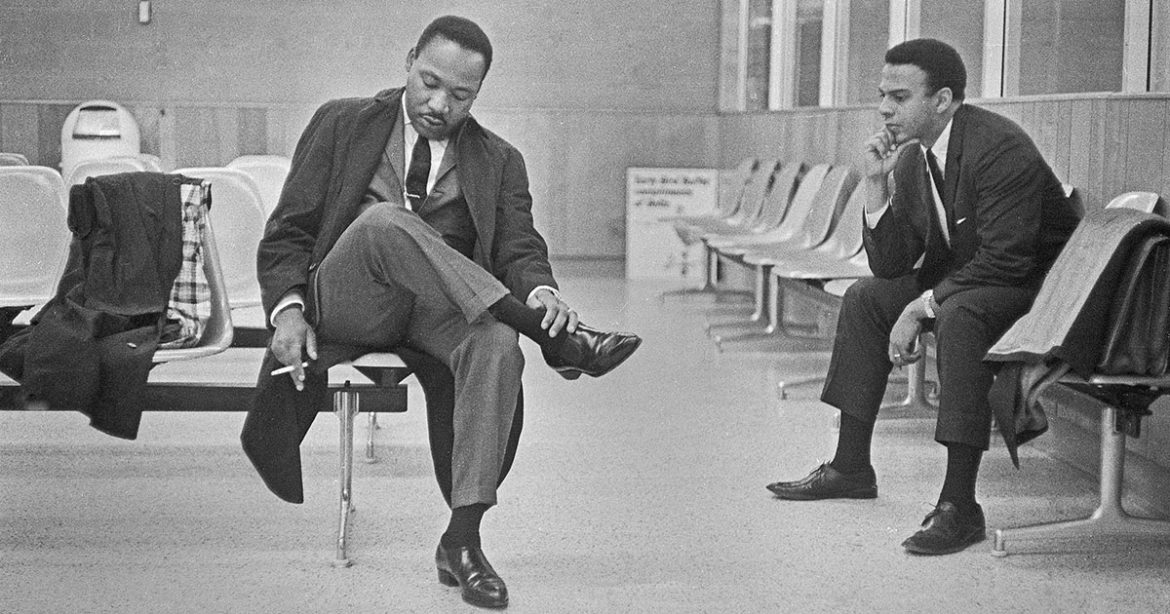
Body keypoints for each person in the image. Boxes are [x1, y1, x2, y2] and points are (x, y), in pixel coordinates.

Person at [240, 16, 641, 609]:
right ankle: (556, 342)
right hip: (349, 298)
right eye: (429, 82)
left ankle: (463, 541)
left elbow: (519, 250)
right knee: (381, 224)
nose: (438, 103)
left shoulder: (499, 159)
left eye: (461, 95)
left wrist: (542, 294)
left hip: (432, 312)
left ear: (477, 95)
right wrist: (287, 312)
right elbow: (287, 233)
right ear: (408, 61)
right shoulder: (341, 122)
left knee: (498, 344)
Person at [765, 38, 1081, 555]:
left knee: (960, 313)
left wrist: (922, 305)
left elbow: (1009, 261)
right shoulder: (914, 160)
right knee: (868, 297)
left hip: (1041, 292)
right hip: (978, 281)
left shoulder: (999, 147)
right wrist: (874, 185)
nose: (886, 108)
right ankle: (850, 466)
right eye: (882, 95)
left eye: (899, 96)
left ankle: (960, 505)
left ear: (943, 100)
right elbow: (890, 265)